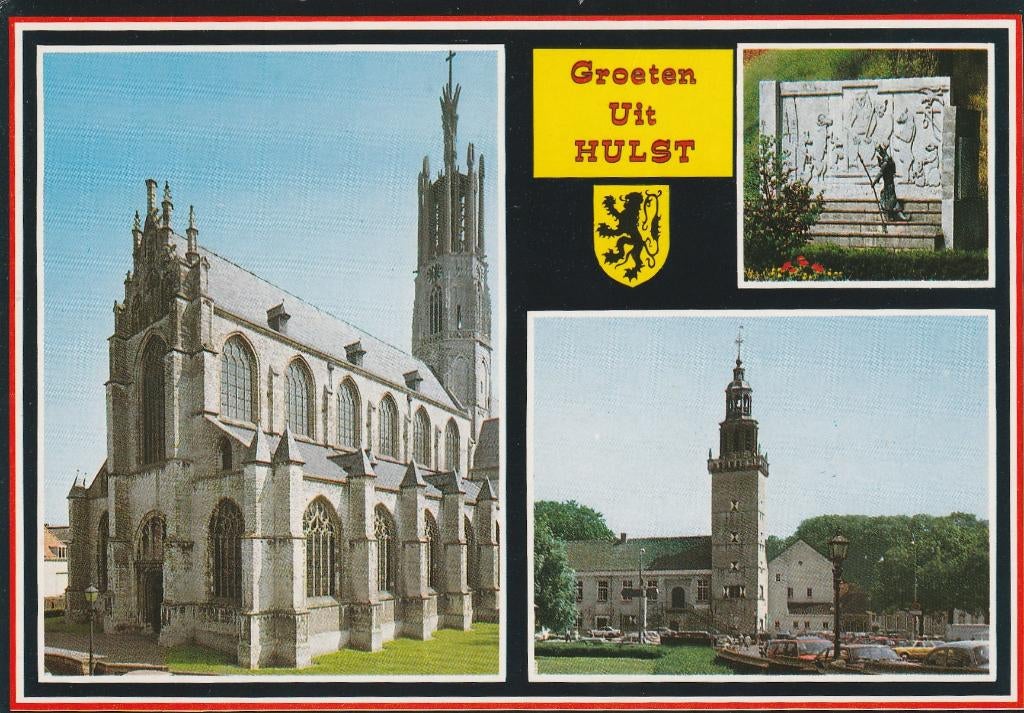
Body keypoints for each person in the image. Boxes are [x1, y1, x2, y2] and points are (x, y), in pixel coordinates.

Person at [871, 144, 911, 221]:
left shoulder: (886, 162)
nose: (879, 153)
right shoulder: (887, 159)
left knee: (890, 200)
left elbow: (881, 173)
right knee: (889, 199)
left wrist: (874, 182)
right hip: (889, 184)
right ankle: (891, 216)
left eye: (879, 151)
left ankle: (897, 217)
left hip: (888, 185)